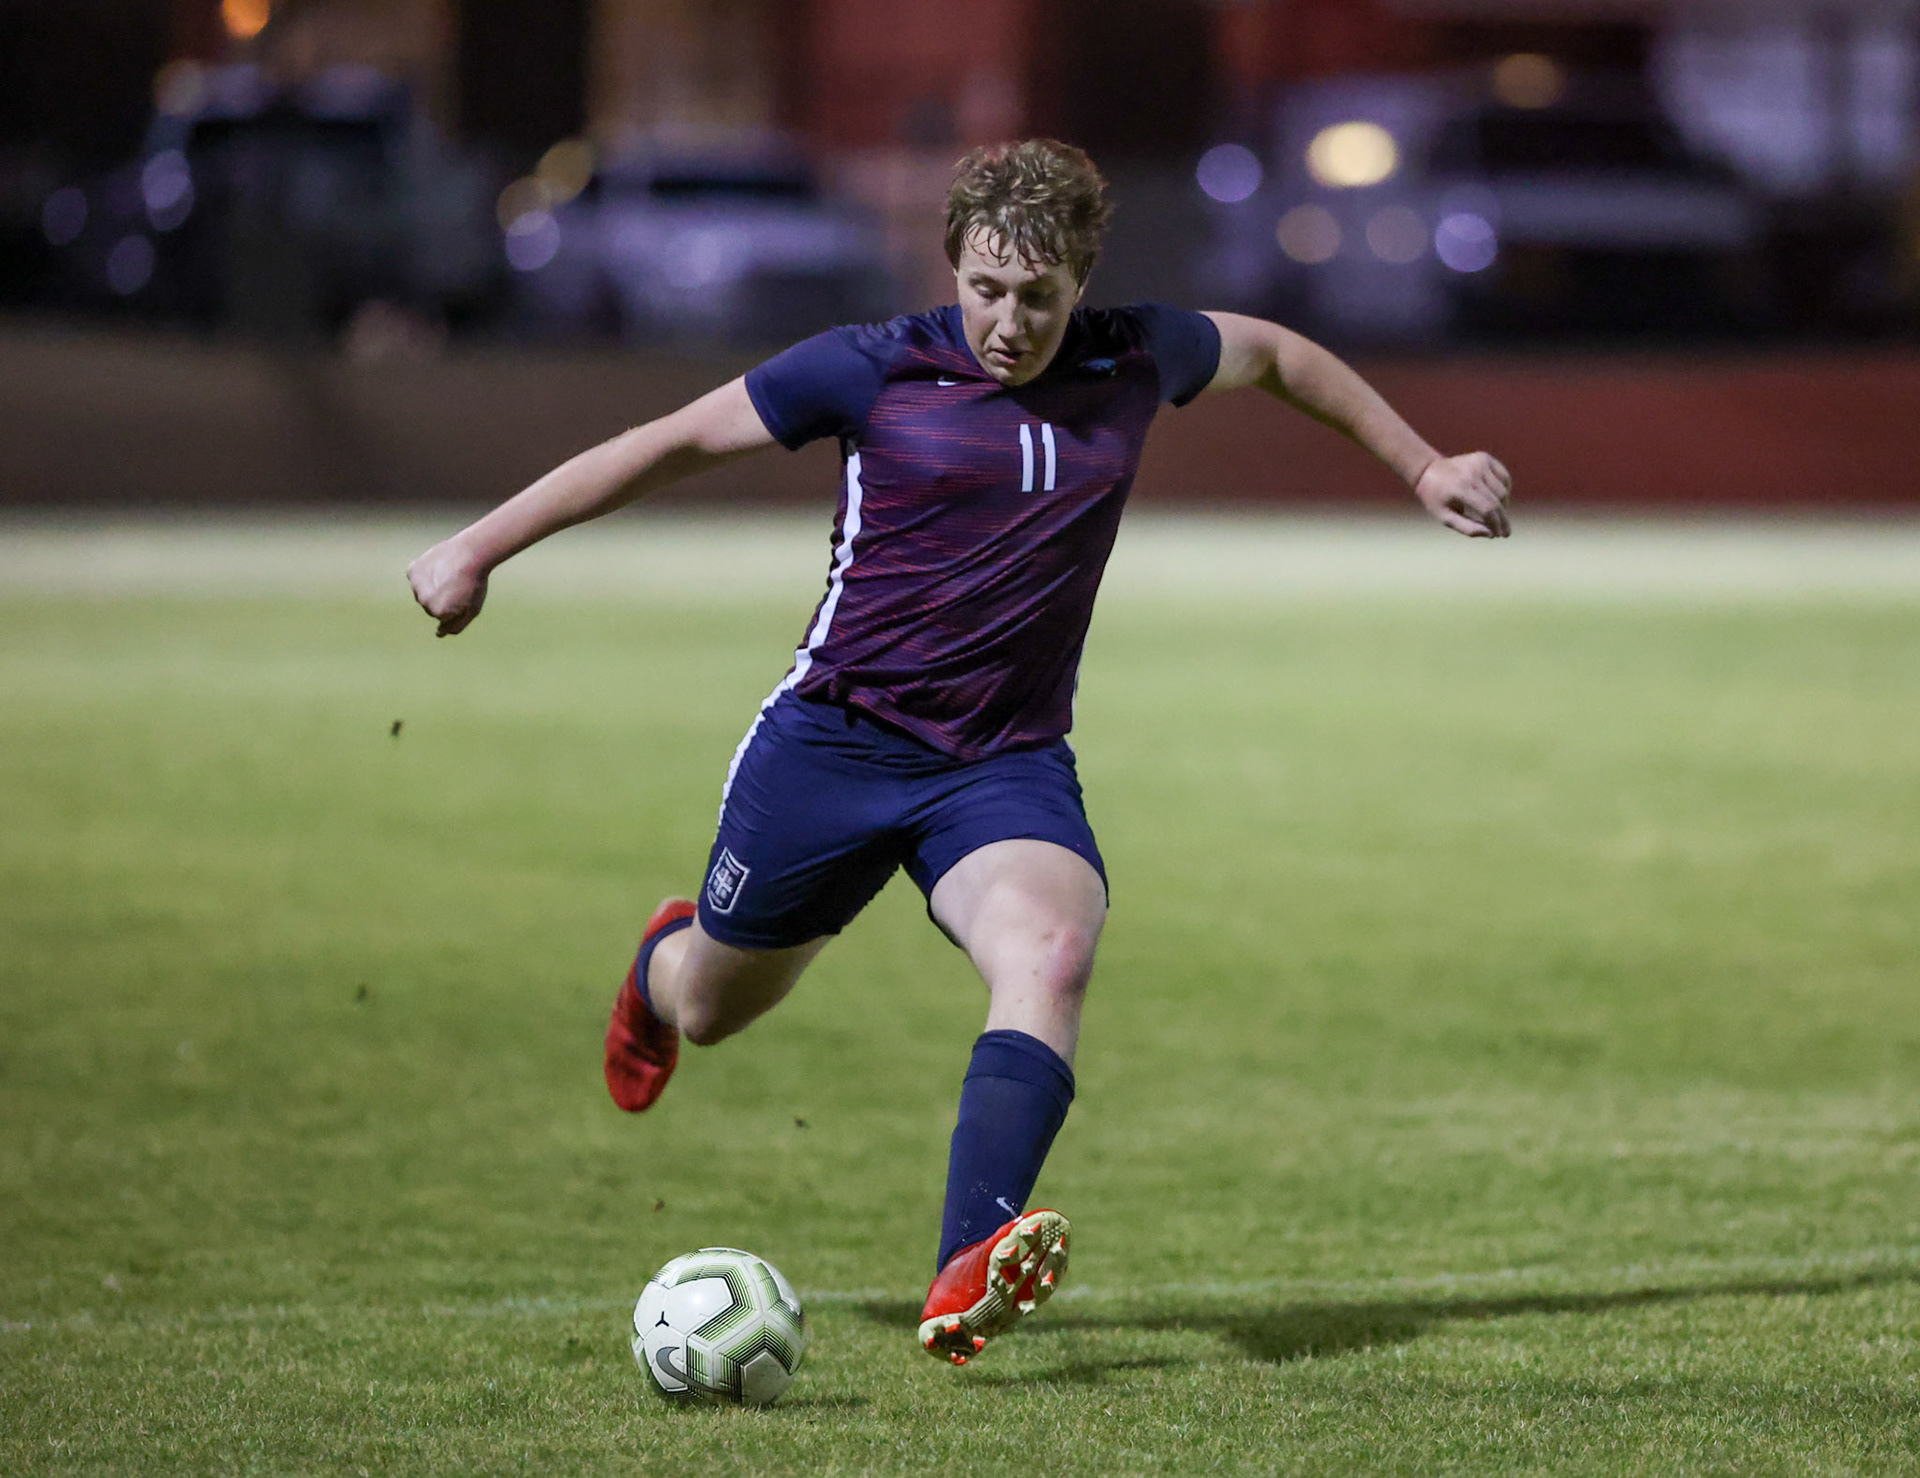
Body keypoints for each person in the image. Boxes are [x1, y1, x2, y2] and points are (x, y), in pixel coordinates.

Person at [407, 138, 1512, 1366]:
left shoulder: (1138, 354)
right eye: (987, 289)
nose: (1008, 320)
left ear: (1082, 279)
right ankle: (660, 961)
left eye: (1038, 296)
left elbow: (1279, 352)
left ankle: (965, 1260)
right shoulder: (872, 368)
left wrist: (1422, 462)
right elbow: (665, 443)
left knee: (1054, 944)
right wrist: (478, 548)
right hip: (831, 748)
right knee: (714, 1006)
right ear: (954, 266)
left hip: (1000, 766)